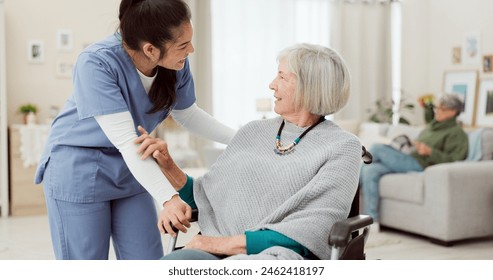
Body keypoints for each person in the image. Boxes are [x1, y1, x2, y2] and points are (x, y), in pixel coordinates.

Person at [34, 0, 235, 260]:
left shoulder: (175, 65)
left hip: (134, 164)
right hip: (79, 167)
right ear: (150, 49)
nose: (191, 50)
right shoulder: (96, 63)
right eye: (183, 45)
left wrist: (241, 138)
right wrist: (169, 198)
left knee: (146, 260)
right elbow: (126, 140)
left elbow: (188, 114)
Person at [136, 43, 362, 260]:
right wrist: (167, 165)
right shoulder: (253, 131)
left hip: (281, 256)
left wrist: (218, 244)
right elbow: (205, 199)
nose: (272, 84)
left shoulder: (342, 146)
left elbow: (315, 229)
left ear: (310, 86)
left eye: (282, 77)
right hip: (213, 249)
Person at [359, 93, 468, 222]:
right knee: (371, 170)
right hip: (409, 157)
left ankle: (348, 188)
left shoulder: (457, 133)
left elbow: (454, 160)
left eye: (442, 109)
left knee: (376, 148)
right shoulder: (433, 126)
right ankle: (371, 220)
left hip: (421, 164)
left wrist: (430, 152)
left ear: (454, 112)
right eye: (437, 108)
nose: (437, 111)